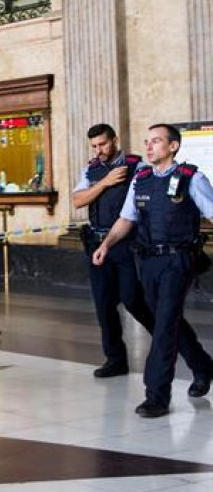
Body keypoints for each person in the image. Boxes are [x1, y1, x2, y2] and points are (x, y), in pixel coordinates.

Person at [71, 123, 209, 381]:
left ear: (115, 140)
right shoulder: (92, 170)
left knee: (139, 304)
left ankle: (183, 353)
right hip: (101, 243)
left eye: (103, 144)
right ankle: (116, 360)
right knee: (104, 306)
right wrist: (105, 183)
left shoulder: (139, 168)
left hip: (134, 248)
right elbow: (78, 200)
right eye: (94, 146)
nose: (99, 150)